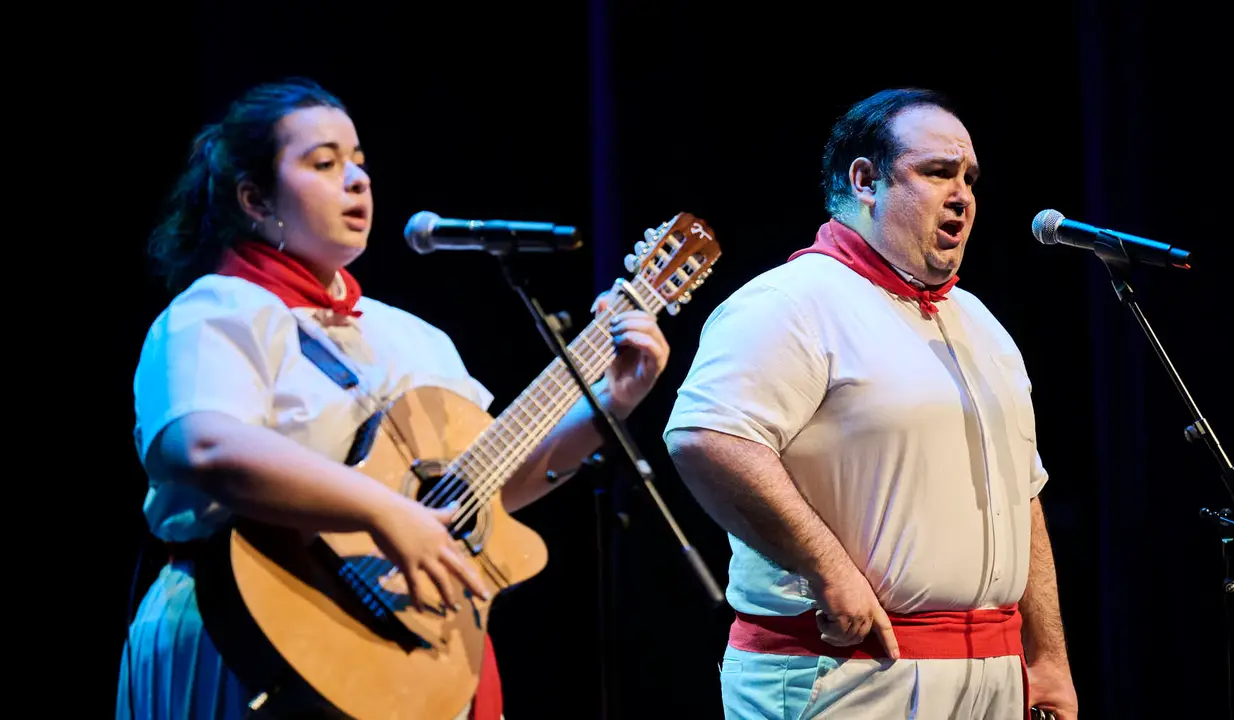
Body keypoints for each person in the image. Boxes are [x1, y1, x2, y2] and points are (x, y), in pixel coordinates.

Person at [117, 77, 671, 720]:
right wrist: (385, 511)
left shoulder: (412, 337)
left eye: (359, 162)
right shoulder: (217, 310)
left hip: (403, 654)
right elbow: (203, 444)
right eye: (324, 163)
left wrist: (611, 402)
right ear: (254, 197)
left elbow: (484, 490)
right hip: (243, 627)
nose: (356, 180)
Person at [663, 88, 1079, 719]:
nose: (962, 194)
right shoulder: (792, 302)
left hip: (991, 677)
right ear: (865, 181)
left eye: (969, 177)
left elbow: (1024, 493)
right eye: (937, 172)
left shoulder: (980, 324)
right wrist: (828, 568)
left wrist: (1046, 655)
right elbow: (706, 438)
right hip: (845, 674)